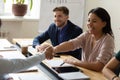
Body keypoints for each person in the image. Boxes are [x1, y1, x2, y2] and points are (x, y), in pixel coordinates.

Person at [46, 7, 115, 72]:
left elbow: (98, 66)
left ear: (104, 24)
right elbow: (72, 44)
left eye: (94, 21)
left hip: (99, 76)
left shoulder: (108, 40)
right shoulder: (87, 34)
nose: (89, 24)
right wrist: (53, 49)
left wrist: (75, 62)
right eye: (88, 20)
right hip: (85, 72)